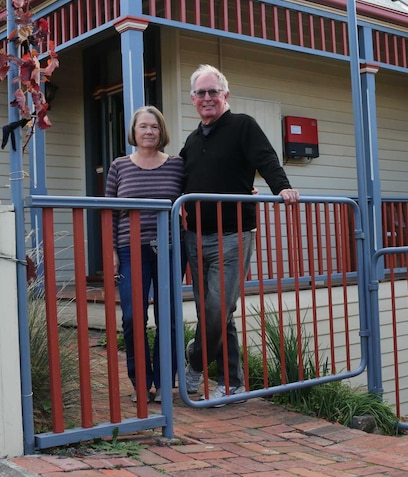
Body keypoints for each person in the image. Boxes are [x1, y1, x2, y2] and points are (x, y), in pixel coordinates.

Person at [180, 64, 300, 404]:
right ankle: (232, 382)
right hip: (194, 237)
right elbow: (180, 178)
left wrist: (283, 188)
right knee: (214, 313)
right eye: (201, 93)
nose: (207, 98)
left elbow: (266, 159)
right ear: (193, 99)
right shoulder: (192, 140)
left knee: (218, 308)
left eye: (212, 92)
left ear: (225, 95)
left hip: (231, 236)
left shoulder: (242, 125)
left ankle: (194, 360)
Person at [105, 105, 185, 404]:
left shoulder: (177, 165)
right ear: (134, 132)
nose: (149, 131)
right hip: (129, 249)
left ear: (161, 131)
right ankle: (141, 382)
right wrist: (111, 250)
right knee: (132, 317)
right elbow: (110, 213)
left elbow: (200, 189)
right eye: (143, 127)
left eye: (154, 126)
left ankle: (166, 380)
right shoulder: (119, 166)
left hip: (169, 249)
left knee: (169, 317)